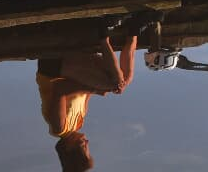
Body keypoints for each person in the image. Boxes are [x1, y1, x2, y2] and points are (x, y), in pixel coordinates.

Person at [37, 27, 138, 172]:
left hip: (52, 67)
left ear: (68, 148)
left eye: (83, 147)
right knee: (124, 81)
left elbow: (60, 88)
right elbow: (86, 88)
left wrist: (97, 89)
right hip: (70, 67)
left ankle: (103, 34)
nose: (87, 142)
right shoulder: (77, 123)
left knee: (114, 82)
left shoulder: (58, 127)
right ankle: (134, 32)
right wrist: (103, 90)